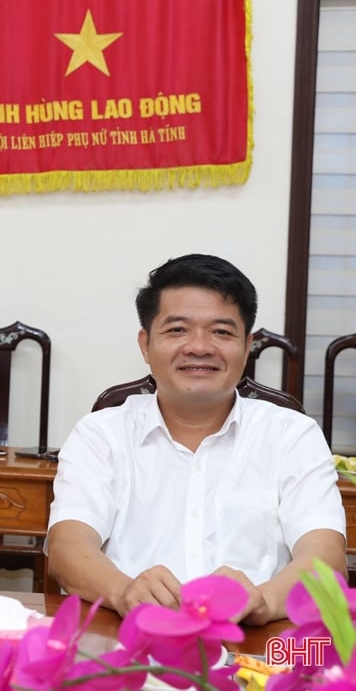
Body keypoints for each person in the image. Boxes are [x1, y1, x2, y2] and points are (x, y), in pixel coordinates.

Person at [46, 253, 346, 625]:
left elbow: (326, 558)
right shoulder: (100, 434)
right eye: (177, 330)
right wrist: (124, 591)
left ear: (247, 345)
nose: (199, 347)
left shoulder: (293, 435)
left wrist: (263, 601)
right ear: (145, 343)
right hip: (127, 643)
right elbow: (67, 548)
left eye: (221, 331)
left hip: (257, 652)